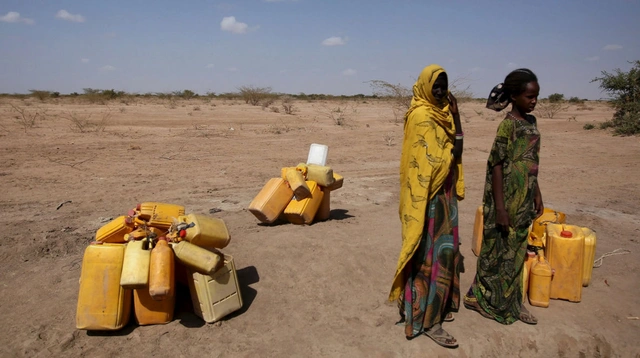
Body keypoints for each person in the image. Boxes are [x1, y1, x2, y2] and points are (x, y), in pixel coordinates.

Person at [389, 64, 465, 348]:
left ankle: (436, 306)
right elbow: (425, 163)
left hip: (445, 196)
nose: (440, 90)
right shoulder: (420, 116)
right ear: (424, 85)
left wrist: (456, 116)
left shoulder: (444, 115)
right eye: (435, 85)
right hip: (425, 198)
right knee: (424, 256)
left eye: (444, 85)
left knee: (445, 254)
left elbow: (455, 152)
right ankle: (423, 317)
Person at [464, 68, 543, 325]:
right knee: (496, 250)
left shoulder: (530, 123)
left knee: (517, 251)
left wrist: (537, 193)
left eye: (536, 96)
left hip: (524, 197)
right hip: (505, 199)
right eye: (529, 96)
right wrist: (499, 207)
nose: (533, 101)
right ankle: (480, 298)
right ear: (514, 96)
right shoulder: (508, 125)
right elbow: (496, 165)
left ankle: (511, 300)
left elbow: (530, 162)